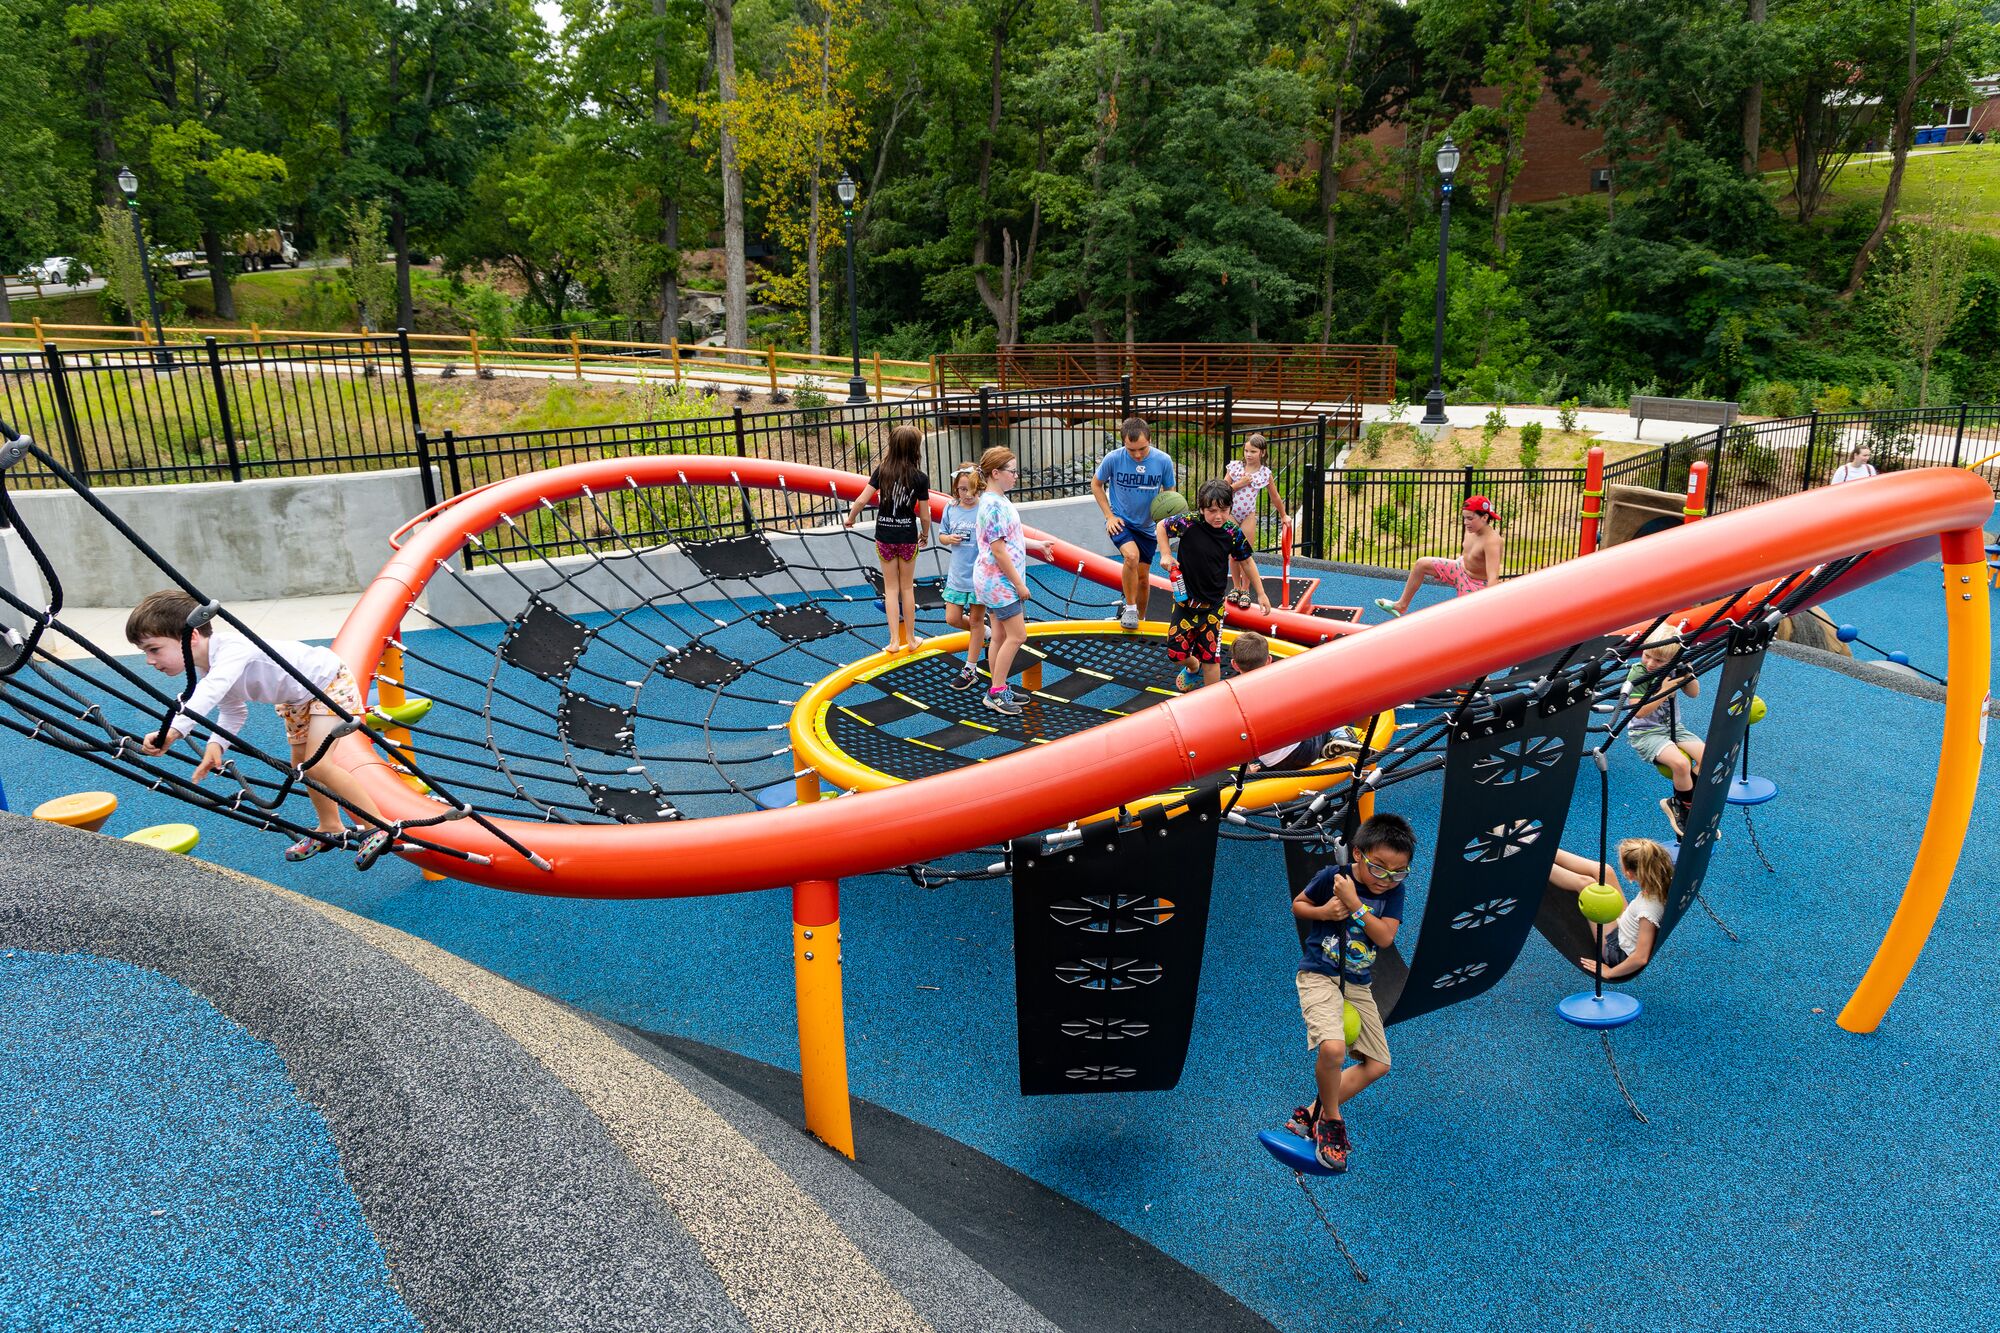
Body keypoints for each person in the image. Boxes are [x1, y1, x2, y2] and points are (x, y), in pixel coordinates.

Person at [126, 589, 386, 863]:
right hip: (297, 699)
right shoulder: (207, 667)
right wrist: (216, 744)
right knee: (300, 766)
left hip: (328, 684)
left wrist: (174, 731)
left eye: (154, 649)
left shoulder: (233, 649)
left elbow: (211, 690)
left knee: (317, 764)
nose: (149, 660)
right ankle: (330, 826)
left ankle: (377, 824)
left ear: (191, 637)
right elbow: (232, 711)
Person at [1285, 812, 1413, 1173]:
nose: (1386, 879)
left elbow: (1385, 937)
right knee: (1333, 1048)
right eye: (1379, 868)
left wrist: (1355, 906)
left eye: (1398, 872)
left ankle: (1310, 1114)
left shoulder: (1393, 892)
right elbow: (1299, 905)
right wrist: (1326, 910)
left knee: (1379, 1064)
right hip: (1319, 974)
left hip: (1357, 982)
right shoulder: (1333, 876)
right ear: (1358, 853)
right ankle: (1331, 1122)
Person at [1157, 480, 1269, 693]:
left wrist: (1261, 593)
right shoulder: (1189, 523)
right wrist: (1165, 553)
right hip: (1185, 603)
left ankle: (1211, 701)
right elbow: (1161, 526)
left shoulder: (1231, 532)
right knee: (1175, 654)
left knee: (1211, 658)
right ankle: (1193, 665)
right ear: (1201, 509)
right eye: (1212, 511)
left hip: (1213, 607)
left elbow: (1247, 561)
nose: (1218, 516)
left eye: (1224, 510)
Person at [971, 447, 1055, 717]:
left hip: (993, 580)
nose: (1016, 476)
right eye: (1012, 471)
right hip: (999, 583)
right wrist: (1019, 584)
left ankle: (998, 686)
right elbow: (998, 550)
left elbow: (1012, 538)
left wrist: (1037, 545)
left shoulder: (997, 500)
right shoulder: (994, 506)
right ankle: (996, 692)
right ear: (996, 473)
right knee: (1018, 635)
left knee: (999, 635)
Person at [844, 424, 931, 654]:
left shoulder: (882, 471)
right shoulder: (920, 478)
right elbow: (924, 515)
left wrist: (851, 518)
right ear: (915, 449)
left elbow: (862, 500)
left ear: (892, 446)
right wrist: (924, 534)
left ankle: (894, 641)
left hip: (885, 536)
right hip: (907, 537)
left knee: (890, 590)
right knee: (907, 588)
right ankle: (911, 639)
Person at [1091, 417, 1177, 631]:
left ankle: (1142, 619)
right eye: (1131, 450)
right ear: (1123, 444)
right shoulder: (1113, 459)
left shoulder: (1163, 460)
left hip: (1147, 527)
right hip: (1121, 522)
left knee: (1143, 579)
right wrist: (1109, 516)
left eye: (1142, 449)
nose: (1137, 455)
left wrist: (1165, 520)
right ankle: (1130, 608)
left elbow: (1170, 492)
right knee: (1131, 556)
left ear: (1150, 440)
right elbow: (1096, 484)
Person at [1547, 839, 1674, 980]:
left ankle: (1537, 860)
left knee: (1587, 886)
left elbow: (1641, 958)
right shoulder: (1666, 880)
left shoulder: (1647, 910)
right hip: (1627, 924)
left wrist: (1609, 973)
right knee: (1605, 871)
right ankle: (1541, 845)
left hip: (1617, 949)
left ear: (1629, 874)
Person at [1624, 627, 1705, 835]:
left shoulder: (1676, 667)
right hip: (1646, 732)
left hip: (1673, 728)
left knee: (1708, 756)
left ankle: (1682, 799)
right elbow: (1639, 712)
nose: (1650, 663)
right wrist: (1665, 690)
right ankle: (1685, 809)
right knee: (1681, 764)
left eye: (1659, 661)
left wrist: (1688, 673)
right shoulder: (1639, 672)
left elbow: (1694, 693)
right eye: (1647, 655)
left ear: (1672, 660)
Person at [1374, 495, 1504, 618]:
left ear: (1485, 517)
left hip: (1475, 584)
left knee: (1465, 619)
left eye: (1470, 518)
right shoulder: (1471, 529)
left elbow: (1493, 578)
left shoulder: (1492, 541)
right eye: (1464, 518)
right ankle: (1401, 605)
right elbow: (1469, 553)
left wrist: (1489, 604)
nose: (1465, 522)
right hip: (1459, 568)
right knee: (1421, 564)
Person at [936, 463, 988, 690]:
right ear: (956, 488)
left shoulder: (985, 508)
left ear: (980, 487)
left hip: (979, 575)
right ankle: (985, 633)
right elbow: (942, 535)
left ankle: (970, 669)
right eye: (963, 489)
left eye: (972, 489)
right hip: (958, 575)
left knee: (976, 621)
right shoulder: (951, 508)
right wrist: (949, 539)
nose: (968, 494)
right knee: (952, 618)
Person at [1224, 435, 1288, 607]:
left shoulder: (1265, 473)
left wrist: (1283, 515)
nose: (1248, 454)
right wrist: (1239, 483)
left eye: (1253, 451)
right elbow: (1221, 490)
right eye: (1246, 450)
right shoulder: (1235, 467)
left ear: (1262, 452)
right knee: (1233, 553)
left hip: (1248, 515)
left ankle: (1245, 589)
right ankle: (1236, 587)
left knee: (1245, 553)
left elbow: (1275, 496)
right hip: (1231, 513)